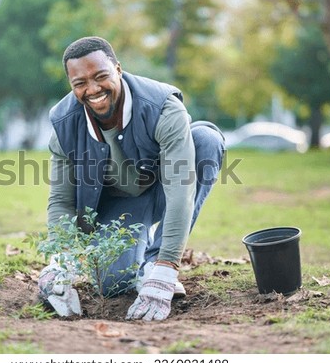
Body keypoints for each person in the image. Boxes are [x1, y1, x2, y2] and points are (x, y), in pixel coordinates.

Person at [38, 36, 225, 321]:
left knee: (206, 141)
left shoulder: (162, 106)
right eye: (80, 83)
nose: (93, 89)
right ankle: (137, 252)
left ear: (118, 69)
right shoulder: (64, 125)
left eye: (101, 76)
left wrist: (165, 267)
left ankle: (153, 261)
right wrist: (60, 263)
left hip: (165, 189)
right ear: (71, 86)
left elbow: (180, 188)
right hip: (120, 206)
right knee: (114, 285)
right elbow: (61, 201)